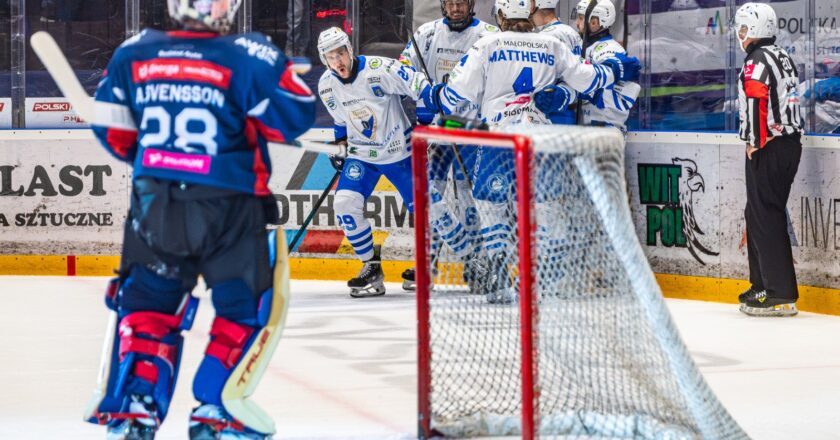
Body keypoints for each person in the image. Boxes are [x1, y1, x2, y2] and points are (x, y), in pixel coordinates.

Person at [84, 0, 317, 438]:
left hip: (156, 207)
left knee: (149, 307)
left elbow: (112, 132)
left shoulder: (135, 51)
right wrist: (276, 71)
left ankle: (136, 406)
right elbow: (295, 117)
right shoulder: (248, 54)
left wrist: (161, 160)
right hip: (230, 209)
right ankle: (217, 409)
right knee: (245, 310)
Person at [427, 0, 640, 303]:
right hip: (540, 136)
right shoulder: (551, 44)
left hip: (499, 138)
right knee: (546, 207)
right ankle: (550, 281)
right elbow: (587, 80)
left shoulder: (486, 45)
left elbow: (456, 97)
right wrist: (616, 69)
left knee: (491, 206)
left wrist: (435, 94)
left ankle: (501, 278)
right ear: (528, 13)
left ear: (500, 15)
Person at [317, 27, 434, 298]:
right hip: (362, 157)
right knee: (345, 203)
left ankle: (426, 265)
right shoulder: (326, 84)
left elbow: (421, 87)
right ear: (324, 60)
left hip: (400, 154)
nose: (338, 62)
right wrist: (340, 144)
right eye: (330, 57)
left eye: (341, 53)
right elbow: (341, 120)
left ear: (349, 48)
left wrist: (425, 125)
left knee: (427, 209)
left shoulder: (380, 69)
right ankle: (371, 267)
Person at [398, 0, 498, 291]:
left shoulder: (488, 36)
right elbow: (404, 68)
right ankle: (426, 262)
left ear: (471, 4)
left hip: (471, 134)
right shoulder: (427, 34)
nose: (456, 8)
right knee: (431, 199)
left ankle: (476, 264)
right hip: (436, 135)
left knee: (470, 203)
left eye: (461, 3)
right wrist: (424, 96)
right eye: (451, 3)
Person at [733, 3, 802, 317]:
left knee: (765, 214)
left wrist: (756, 141)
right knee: (757, 213)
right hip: (788, 145)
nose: (741, 34)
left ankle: (778, 292)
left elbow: (757, 97)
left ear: (755, 29)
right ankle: (762, 284)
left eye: (744, 28)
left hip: (769, 146)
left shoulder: (756, 60)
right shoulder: (782, 55)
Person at [573, 0, 640, 133]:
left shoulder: (610, 49)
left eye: (581, 18)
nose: (577, 23)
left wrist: (585, 91)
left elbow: (610, 92)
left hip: (605, 129)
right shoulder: (585, 47)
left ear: (594, 22)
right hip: (588, 128)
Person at [533, 0, 583, 125]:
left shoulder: (547, 36)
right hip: (569, 108)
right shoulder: (571, 32)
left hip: (551, 110)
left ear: (538, 6)